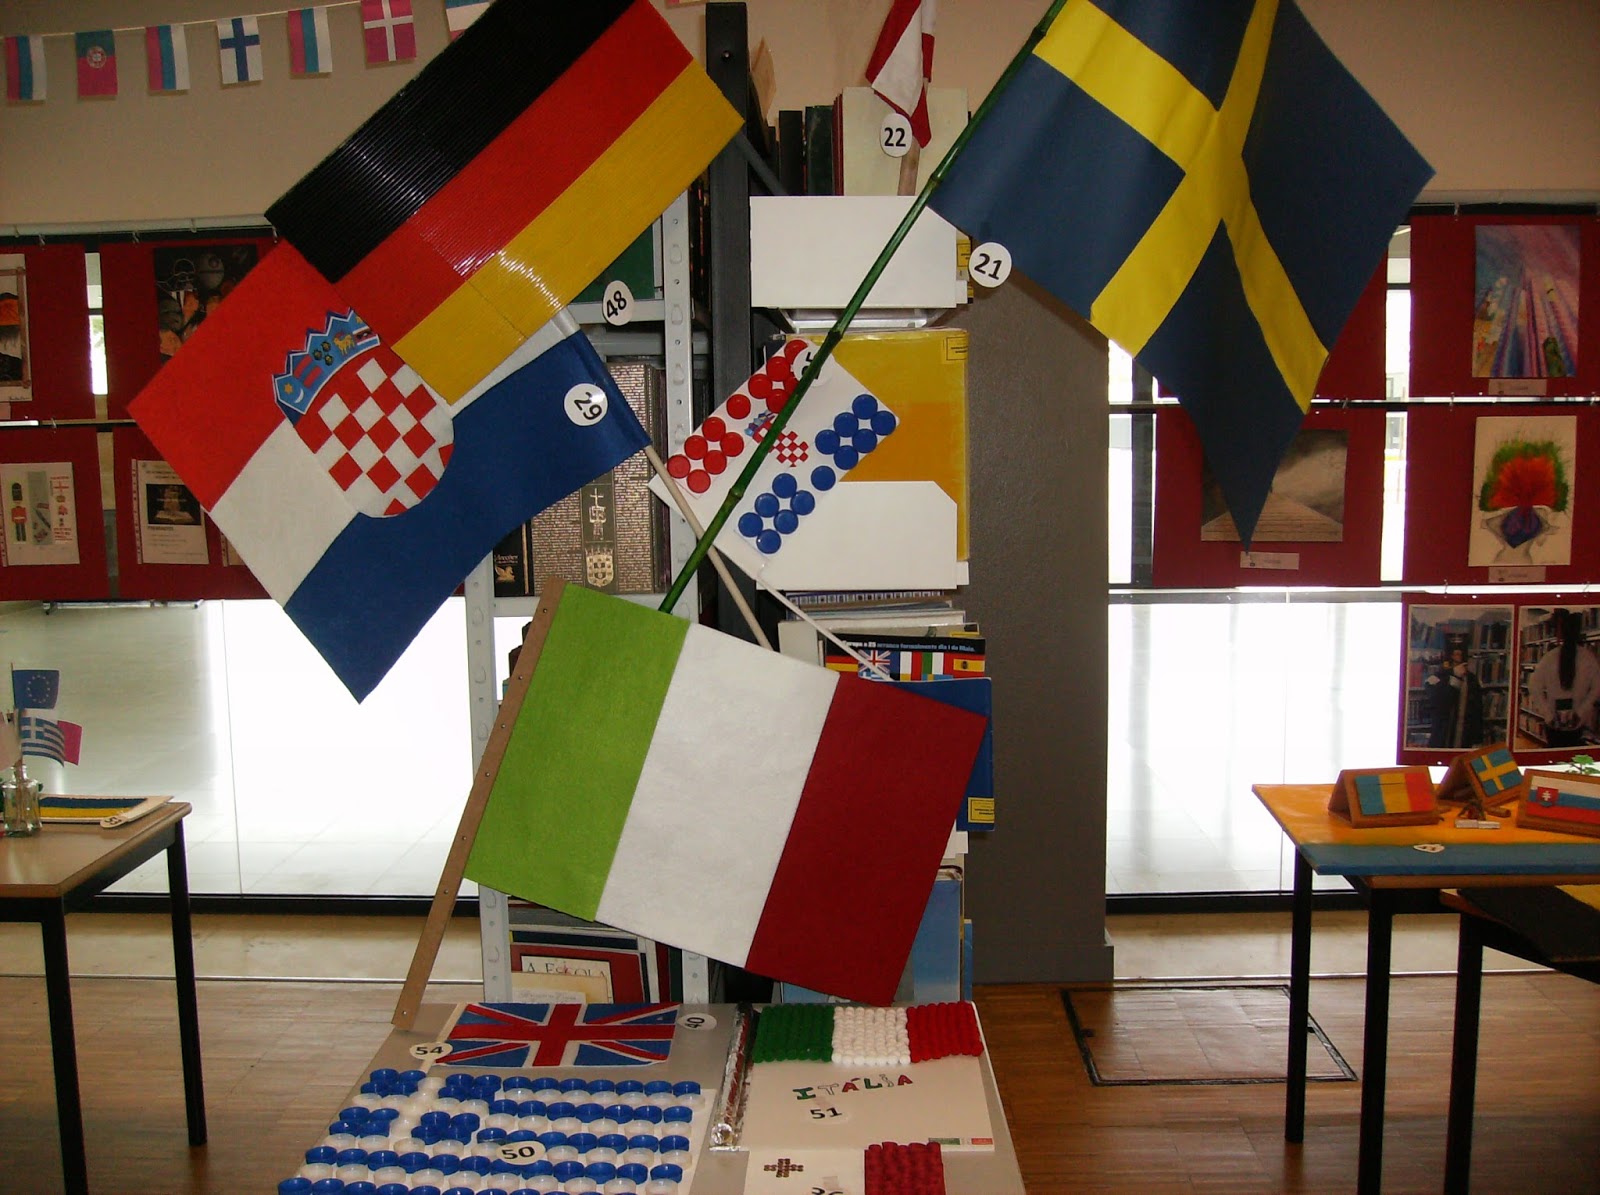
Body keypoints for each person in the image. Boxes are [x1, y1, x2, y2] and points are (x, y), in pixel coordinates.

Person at [1526, 608, 1600, 747]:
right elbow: (1596, 688)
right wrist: (1582, 711)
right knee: (1573, 754)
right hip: (1577, 720)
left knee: (1555, 753)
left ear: (1561, 633)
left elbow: (1534, 686)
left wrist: (1548, 714)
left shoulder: (1549, 657)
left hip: (1553, 721)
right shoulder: (1589, 658)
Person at [1425, 646, 1485, 749]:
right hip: (1443, 734)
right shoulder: (1439, 676)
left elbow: (1477, 709)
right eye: (1456, 654)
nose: (1458, 657)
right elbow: (1439, 702)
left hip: (1465, 733)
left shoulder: (1472, 679)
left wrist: (1477, 738)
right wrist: (1455, 677)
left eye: (1461, 654)